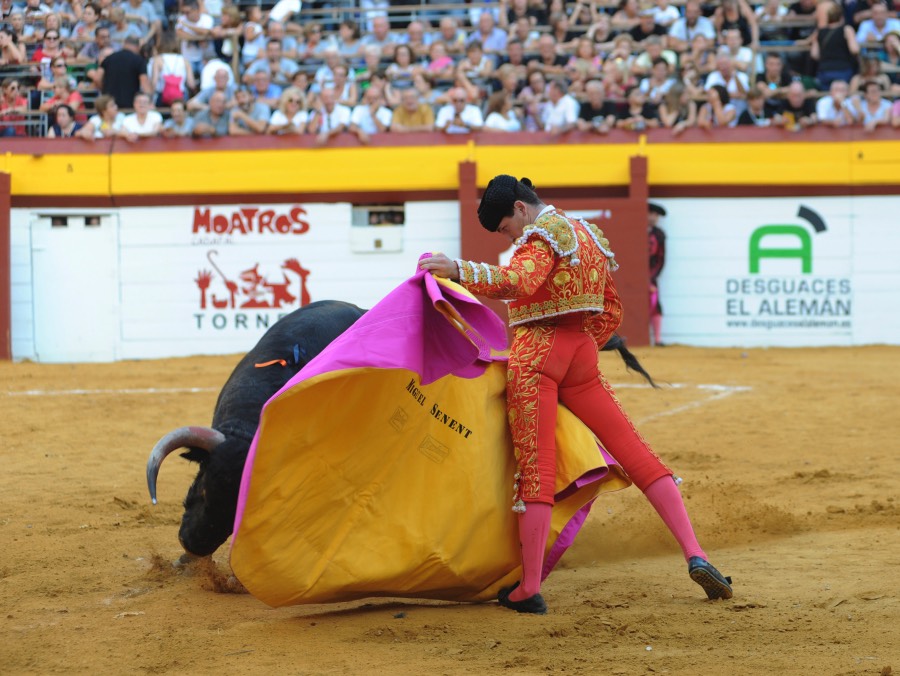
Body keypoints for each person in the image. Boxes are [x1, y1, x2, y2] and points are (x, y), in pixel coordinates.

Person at [418, 176, 733, 614]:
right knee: (636, 451)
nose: (510, 237)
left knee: (536, 470)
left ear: (521, 208)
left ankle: (528, 588)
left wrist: (460, 270)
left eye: (507, 228)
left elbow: (518, 281)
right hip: (581, 355)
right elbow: (611, 308)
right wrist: (578, 348)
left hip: (537, 356)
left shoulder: (541, 236)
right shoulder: (587, 234)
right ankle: (696, 553)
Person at [97, 35, 150, 109]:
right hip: (130, 104)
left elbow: (98, 78)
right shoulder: (139, 61)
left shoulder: (109, 58)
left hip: (110, 104)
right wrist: (150, 101)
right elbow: (144, 83)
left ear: (124, 44)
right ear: (137, 47)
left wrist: (104, 89)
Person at [648, 202, 666, 347]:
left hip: (651, 275)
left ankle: (657, 339)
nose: (653, 217)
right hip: (635, 276)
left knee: (655, 305)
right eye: (651, 214)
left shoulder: (659, 235)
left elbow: (660, 259)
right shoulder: (636, 231)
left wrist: (651, 278)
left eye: (656, 215)